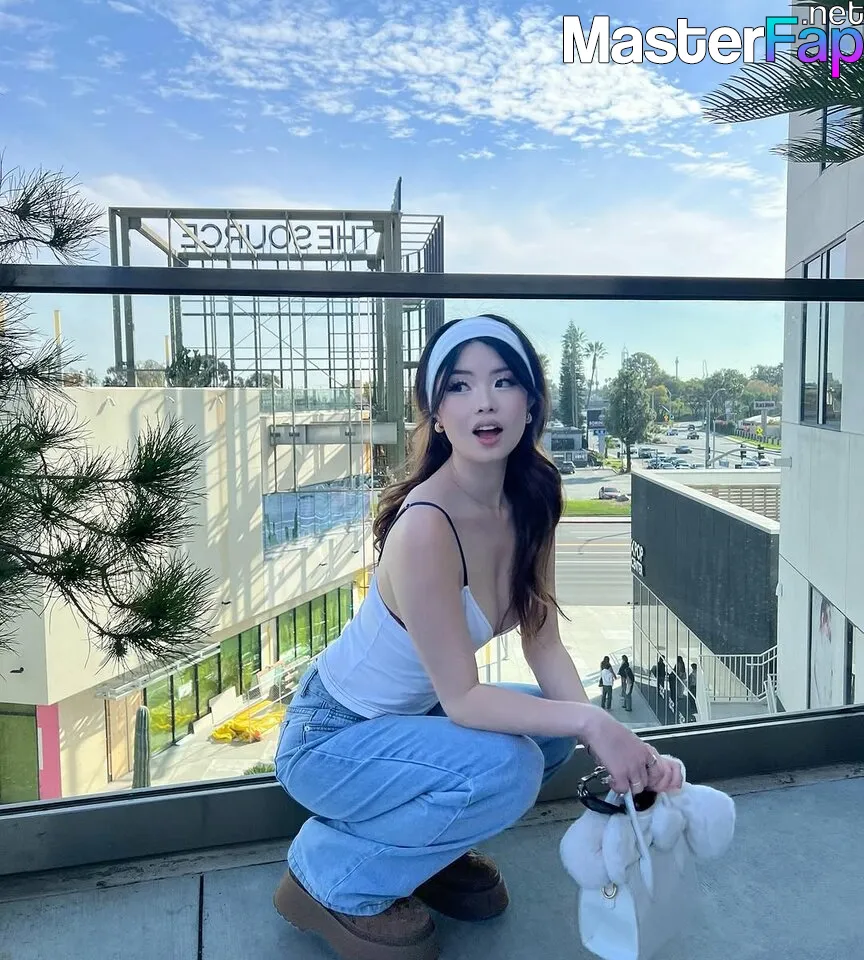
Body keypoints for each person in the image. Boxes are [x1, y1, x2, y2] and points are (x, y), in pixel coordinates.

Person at [271, 314, 683, 960]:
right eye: (459, 386)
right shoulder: (426, 527)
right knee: (511, 765)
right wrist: (595, 722)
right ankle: (329, 872)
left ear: (531, 403)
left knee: (549, 734)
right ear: (437, 415)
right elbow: (464, 700)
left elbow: (542, 639)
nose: (484, 402)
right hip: (331, 741)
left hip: (412, 723)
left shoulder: (532, 497)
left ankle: (423, 854)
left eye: (503, 381)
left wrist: (604, 739)